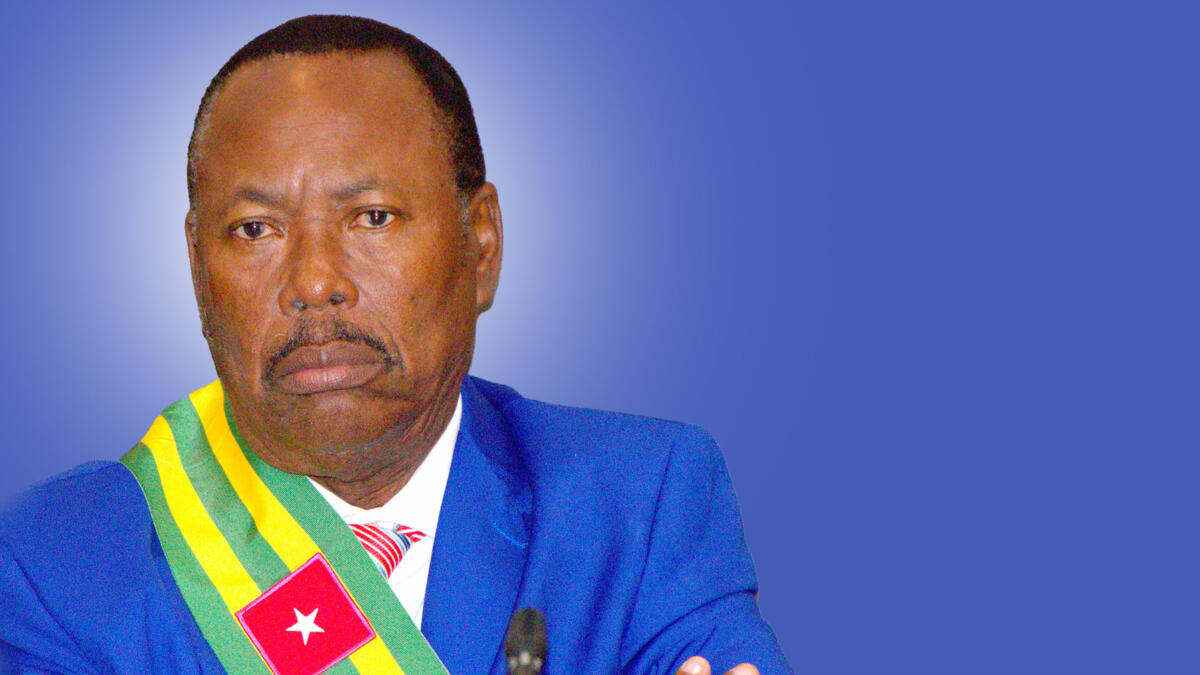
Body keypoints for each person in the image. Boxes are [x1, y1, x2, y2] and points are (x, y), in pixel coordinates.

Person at [0, 15, 788, 675]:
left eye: (372, 217)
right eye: (255, 229)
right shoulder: (60, 564)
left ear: (481, 244)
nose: (313, 281)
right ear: (197, 269)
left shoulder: (639, 501)